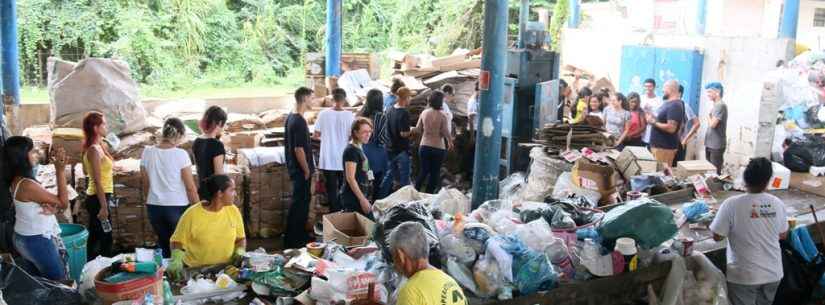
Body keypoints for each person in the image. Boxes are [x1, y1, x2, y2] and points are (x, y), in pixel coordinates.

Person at [710, 157, 787, 305]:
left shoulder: (731, 204)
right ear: (768, 180)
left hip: (745, 276)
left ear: (745, 179)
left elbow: (717, 236)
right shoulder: (777, 203)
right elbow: (782, 234)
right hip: (773, 274)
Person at [4, 137, 69, 281]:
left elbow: (42, 204)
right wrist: (60, 171)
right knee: (59, 284)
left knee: (42, 284)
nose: (36, 153)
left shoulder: (17, 179)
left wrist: (53, 208)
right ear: (22, 156)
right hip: (36, 240)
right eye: (32, 151)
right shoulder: (26, 184)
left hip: (25, 238)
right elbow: (63, 202)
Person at [141, 118, 199, 258]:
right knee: (180, 247)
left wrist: (150, 200)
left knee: (164, 245)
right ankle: (181, 278)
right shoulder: (181, 155)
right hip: (176, 207)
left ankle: (164, 276)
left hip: (154, 207)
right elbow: (190, 187)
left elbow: (145, 183)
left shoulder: (147, 152)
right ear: (179, 135)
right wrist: (198, 208)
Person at [168, 175, 246, 280]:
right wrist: (176, 259)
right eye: (232, 190)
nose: (235, 194)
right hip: (196, 271)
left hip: (225, 270)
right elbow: (177, 241)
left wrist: (240, 250)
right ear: (220, 193)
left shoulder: (233, 211)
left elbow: (240, 239)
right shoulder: (192, 214)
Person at [391, 221, 467, 305]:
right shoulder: (450, 281)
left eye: (393, 257)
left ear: (400, 255)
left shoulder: (411, 291)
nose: (394, 264)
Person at [284, 87, 316, 249]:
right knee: (300, 203)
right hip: (300, 170)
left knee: (300, 202)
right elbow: (298, 149)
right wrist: (306, 169)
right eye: (311, 98)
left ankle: (297, 235)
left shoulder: (291, 117)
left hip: (295, 169)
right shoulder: (299, 121)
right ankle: (294, 239)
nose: (313, 101)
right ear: (304, 99)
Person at [315, 88, 356, 212]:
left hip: (328, 157)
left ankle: (334, 212)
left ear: (332, 99)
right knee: (344, 185)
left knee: (331, 188)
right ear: (344, 100)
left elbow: (316, 135)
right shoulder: (350, 116)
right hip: (344, 158)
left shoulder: (323, 114)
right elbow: (352, 136)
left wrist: (327, 137)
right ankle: (344, 210)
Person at [82, 111, 114, 259]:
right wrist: (104, 206)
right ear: (96, 128)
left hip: (101, 196)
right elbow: (96, 180)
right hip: (97, 198)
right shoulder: (93, 150)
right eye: (104, 124)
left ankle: (94, 266)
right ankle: (100, 269)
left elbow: (86, 170)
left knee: (98, 235)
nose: (106, 127)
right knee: (104, 238)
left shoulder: (99, 146)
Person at [413, 91, 453, 194]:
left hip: (424, 146)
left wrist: (408, 129)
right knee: (435, 173)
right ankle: (428, 194)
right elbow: (445, 131)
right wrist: (450, 141)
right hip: (438, 148)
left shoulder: (424, 113)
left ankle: (415, 191)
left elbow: (418, 129)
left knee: (423, 171)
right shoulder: (443, 115)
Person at [379, 87, 413, 198]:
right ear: (406, 98)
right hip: (401, 150)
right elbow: (403, 133)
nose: (410, 99)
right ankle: (404, 203)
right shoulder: (404, 113)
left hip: (389, 149)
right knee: (404, 180)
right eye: (410, 97)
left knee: (390, 176)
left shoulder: (389, 109)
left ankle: (379, 197)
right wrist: (413, 130)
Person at [646, 80, 685, 170]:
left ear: (670, 89)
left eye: (664, 88)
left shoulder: (675, 105)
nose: (662, 90)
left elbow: (671, 128)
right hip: (659, 147)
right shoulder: (669, 103)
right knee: (656, 174)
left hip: (664, 148)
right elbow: (662, 120)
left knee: (661, 175)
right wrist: (652, 117)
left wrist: (653, 122)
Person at [340, 118, 374, 217]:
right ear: (355, 132)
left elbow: (365, 168)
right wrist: (362, 200)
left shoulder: (359, 146)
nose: (368, 134)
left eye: (369, 131)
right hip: (353, 198)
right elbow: (350, 178)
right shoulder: (351, 151)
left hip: (361, 195)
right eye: (364, 132)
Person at [359, 89, 389, 201]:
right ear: (380, 101)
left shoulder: (361, 116)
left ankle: (362, 203)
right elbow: (382, 139)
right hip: (376, 154)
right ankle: (374, 206)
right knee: (377, 182)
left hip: (362, 151)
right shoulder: (382, 117)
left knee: (363, 179)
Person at [193, 106, 227, 198]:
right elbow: (219, 175)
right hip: (214, 194)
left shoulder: (197, 141)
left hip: (202, 190)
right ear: (220, 123)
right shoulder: (217, 145)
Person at [705, 82, 728, 174]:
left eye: (710, 92)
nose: (708, 95)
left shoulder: (720, 106)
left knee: (714, 172)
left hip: (716, 145)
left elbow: (713, 124)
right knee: (709, 171)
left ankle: (715, 188)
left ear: (717, 92)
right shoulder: (716, 105)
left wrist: (708, 116)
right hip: (711, 143)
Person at [675, 84, 700, 166]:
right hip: (668, 143)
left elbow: (697, 123)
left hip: (679, 143)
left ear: (679, 93)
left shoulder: (685, 106)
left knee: (677, 167)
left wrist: (685, 139)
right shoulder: (668, 105)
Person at [641, 78, 664, 147]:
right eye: (646, 86)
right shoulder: (640, 98)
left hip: (653, 131)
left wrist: (650, 112)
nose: (647, 88)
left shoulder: (659, 101)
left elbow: (661, 117)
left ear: (654, 87)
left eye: (650, 86)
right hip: (641, 132)